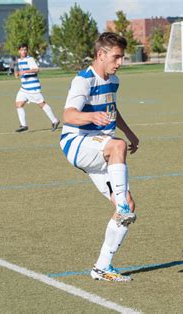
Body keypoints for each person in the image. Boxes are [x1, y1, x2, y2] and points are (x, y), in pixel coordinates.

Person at [59, 32, 139, 282]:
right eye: (116, 57)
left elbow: (112, 109)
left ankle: (102, 267)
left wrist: (129, 132)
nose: (120, 62)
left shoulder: (113, 80)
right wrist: (92, 117)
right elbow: (69, 116)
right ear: (100, 55)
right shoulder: (83, 80)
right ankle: (123, 208)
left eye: (122, 57)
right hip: (77, 143)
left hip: (100, 150)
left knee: (127, 205)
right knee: (117, 147)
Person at [14, 43, 60, 132]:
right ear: (19, 51)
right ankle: (24, 125)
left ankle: (55, 121)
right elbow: (19, 73)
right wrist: (17, 74)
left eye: (25, 49)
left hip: (33, 88)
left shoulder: (30, 59)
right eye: (22, 50)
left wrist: (25, 71)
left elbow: (36, 69)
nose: (24, 51)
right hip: (24, 88)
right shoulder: (19, 60)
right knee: (18, 104)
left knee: (41, 104)